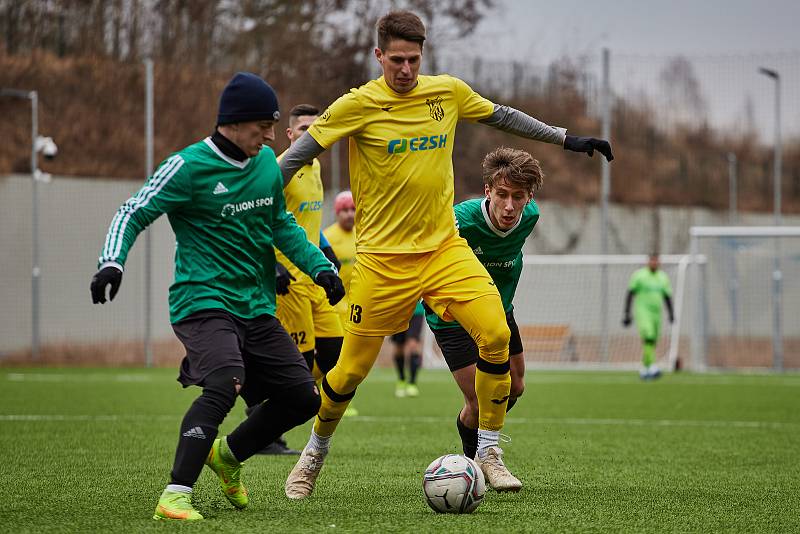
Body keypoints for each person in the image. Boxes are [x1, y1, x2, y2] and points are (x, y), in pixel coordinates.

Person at [278, 10, 613, 498]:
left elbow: (503, 115)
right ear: (379, 57)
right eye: (397, 60)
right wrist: (254, 198)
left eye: (414, 59)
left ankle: (489, 453)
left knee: (497, 332)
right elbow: (296, 155)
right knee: (348, 371)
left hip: (443, 250)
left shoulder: (446, 92)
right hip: (382, 262)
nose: (406, 70)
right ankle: (313, 455)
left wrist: (566, 138)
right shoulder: (357, 104)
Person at [89, 72, 345, 521]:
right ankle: (175, 494)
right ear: (233, 122)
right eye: (263, 126)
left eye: (272, 126)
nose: (270, 135)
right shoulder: (188, 167)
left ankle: (228, 455)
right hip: (202, 300)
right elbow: (133, 210)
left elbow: (280, 225)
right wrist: (112, 261)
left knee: (305, 397)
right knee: (225, 380)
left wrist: (319, 266)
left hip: (256, 306)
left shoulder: (266, 164)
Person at [425, 147, 541, 460]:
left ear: (529, 197)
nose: (509, 206)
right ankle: (477, 461)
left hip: (498, 311)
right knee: (478, 401)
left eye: (518, 196)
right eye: (502, 194)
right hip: (453, 316)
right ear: (487, 190)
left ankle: (473, 433)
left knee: (515, 387)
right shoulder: (458, 220)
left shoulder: (530, 217)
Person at [254, 104, 347, 454]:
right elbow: (263, 219)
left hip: (315, 279)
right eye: (304, 128)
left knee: (336, 357)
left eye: (317, 127)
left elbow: (306, 221)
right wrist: (272, 266)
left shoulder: (317, 164)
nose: (311, 134)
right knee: (300, 363)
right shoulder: (281, 170)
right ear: (290, 134)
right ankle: (264, 430)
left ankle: (263, 406)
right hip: (288, 281)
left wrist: (326, 251)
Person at [623, 254, 674, 379]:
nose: (654, 263)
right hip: (643, 311)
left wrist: (671, 313)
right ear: (648, 262)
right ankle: (652, 366)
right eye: (652, 261)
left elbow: (667, 296)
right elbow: (630, 293)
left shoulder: (663, 277)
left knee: (652, 342)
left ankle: (644, 369)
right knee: (649, 337)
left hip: (656, 313)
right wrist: (627, 313)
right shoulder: (639, 275)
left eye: (656, 261)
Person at [323, 191, 357, 327]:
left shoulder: (362, 234)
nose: (349, 214)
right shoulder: (327, 238)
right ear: (337, 213)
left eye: (353, 209)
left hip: (356, 306)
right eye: (345, 210)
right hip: (335, 306)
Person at [390, 301, 425, 398]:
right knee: (399, 347)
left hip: (416, 311)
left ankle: (412, 383)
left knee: (413, 345)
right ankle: (401, 379)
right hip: (398, 311)